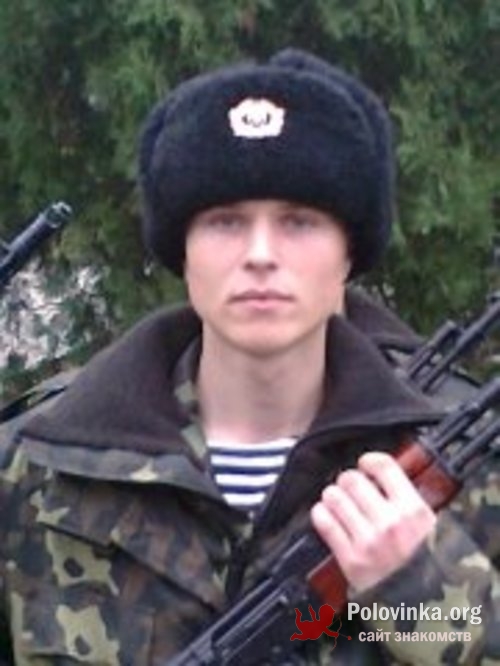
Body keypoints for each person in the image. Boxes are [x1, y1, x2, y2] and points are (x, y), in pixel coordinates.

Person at [0, 48, 498, 665]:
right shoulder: (39, 465)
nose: (260, 254)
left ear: (348, 253)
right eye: (225, 222)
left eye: (299, 222)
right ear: (183, 253)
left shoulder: (470, 468)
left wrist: (424, 598)